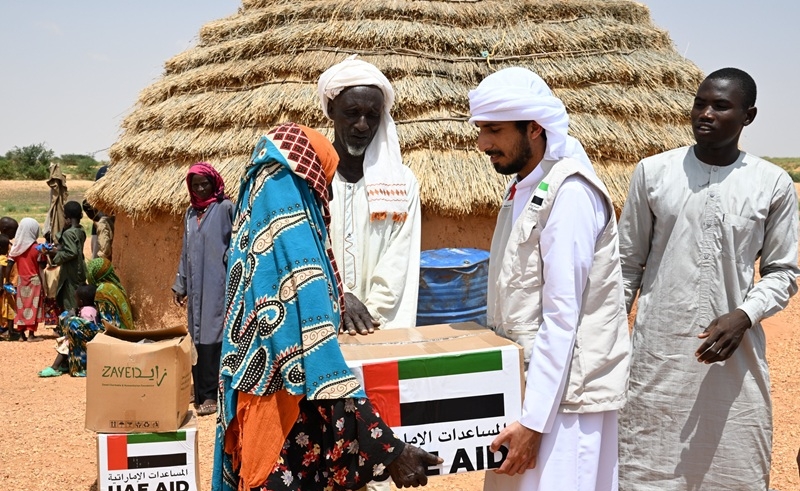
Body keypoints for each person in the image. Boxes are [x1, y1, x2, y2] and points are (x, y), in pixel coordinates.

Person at [212, 123, 441, 491]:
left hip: (257, 414)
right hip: (284, 428)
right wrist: (392, 450)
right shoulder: (296, 248)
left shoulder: (255, 231)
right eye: (322, 183)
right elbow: (323, 370)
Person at [617, 68, 800, 490]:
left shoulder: (772, 183)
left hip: (734, 359)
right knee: (646, 470)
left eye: (721, 106)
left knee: (733, 472)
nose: (705, 113)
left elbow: (782, 272)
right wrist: (608, 336)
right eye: (700, 103)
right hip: (657, 359)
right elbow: (627, 265)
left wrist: (744, 315)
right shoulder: (653, 172)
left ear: (747, 116)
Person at [468, 67, 631, 491]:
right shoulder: (524, 189)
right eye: (481, 129)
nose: (483, 143)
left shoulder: (570, 194)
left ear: (535, 129)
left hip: (564, 405)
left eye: (495, 130)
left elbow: (563, 318)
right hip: (527, 394)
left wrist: (534, 422)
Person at [317, 57, 422, 336]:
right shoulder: (311, 178)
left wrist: (368, 315)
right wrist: (337, 299)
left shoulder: (402, 184)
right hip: (319, 323)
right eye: (352, 112)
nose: (362, 125)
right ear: (331, 110)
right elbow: (302, 252)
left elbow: (399, 259)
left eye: (372, 115)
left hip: (379, 327)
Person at [171, 162, 234, 417]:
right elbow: (186, 250)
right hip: (196, 287)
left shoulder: (225, 208)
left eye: (204, 184)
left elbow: (238, 242)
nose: (200, 189)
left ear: (214, 183)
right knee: (196, 337)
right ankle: (200, 392)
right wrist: (180, 284)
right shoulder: (189, 214)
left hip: (218, 283)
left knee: (212, 334)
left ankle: (211, 394)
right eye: (195, 185)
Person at [38, 284, 101, 377]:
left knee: (67, 343)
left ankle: (55, 367)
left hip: (86, 340)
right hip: (89, 338)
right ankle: (65, 364)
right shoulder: (92, 309)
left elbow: (85, 326)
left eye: (76, 300)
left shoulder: (86, 311)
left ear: (81, 301)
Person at [9, 217, 46, 342]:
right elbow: (42, 266)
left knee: (22, 306)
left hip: (21, 281)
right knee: (33, 306)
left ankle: (21, 335)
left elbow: (9, 263)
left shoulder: (17, 248)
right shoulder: (37, 248)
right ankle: (31, 334)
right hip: (35, 281)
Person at [45, 201, 87, 312]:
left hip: (71, 271)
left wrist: (54, 254)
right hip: (80, 268)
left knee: (71, 298)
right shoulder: (80, 230)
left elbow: (71, 252)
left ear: (66, 217)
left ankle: (71, 321)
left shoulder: (68, 234)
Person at [86, 258, 133, 330]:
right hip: (128, 331)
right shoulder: (115, 286)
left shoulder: (102, 291)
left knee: (72, 322)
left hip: (119, 335)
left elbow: (108, 325)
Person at [0, 234, 16, 338]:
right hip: (4, 288)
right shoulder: (3, 259)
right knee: (10, 309)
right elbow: (1, 270)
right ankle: (9, 331)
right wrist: (2, 285)